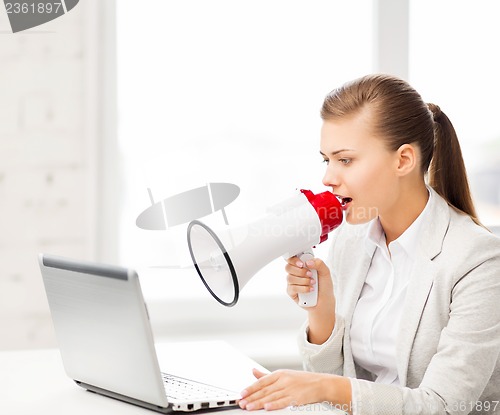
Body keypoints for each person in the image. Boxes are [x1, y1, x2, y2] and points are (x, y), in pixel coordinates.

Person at [238, 74, 500, 414]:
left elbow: (445, 406)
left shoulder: (478, 260)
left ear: (403, 160)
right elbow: (334, 396)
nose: (328, 178)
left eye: (345, 160)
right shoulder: (352, 239)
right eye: (326, 160)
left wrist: (325, 386)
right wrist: (322, 312)